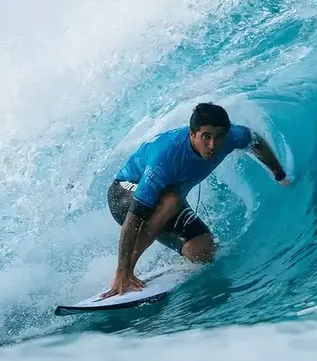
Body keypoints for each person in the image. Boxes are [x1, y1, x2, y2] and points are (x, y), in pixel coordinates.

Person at [100, 102, 290, 299]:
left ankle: (176, 260)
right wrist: (123, 270)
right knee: (171, 200)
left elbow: (255, 142)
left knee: (204, 251)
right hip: (124, 193)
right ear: (192, 134)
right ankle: (125, 275)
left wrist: (279, 173)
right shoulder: (166, 158)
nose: (212, 145)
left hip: (166, 196)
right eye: (205, 137)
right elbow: (133, 220)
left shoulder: (234, 136)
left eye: (219, 138)